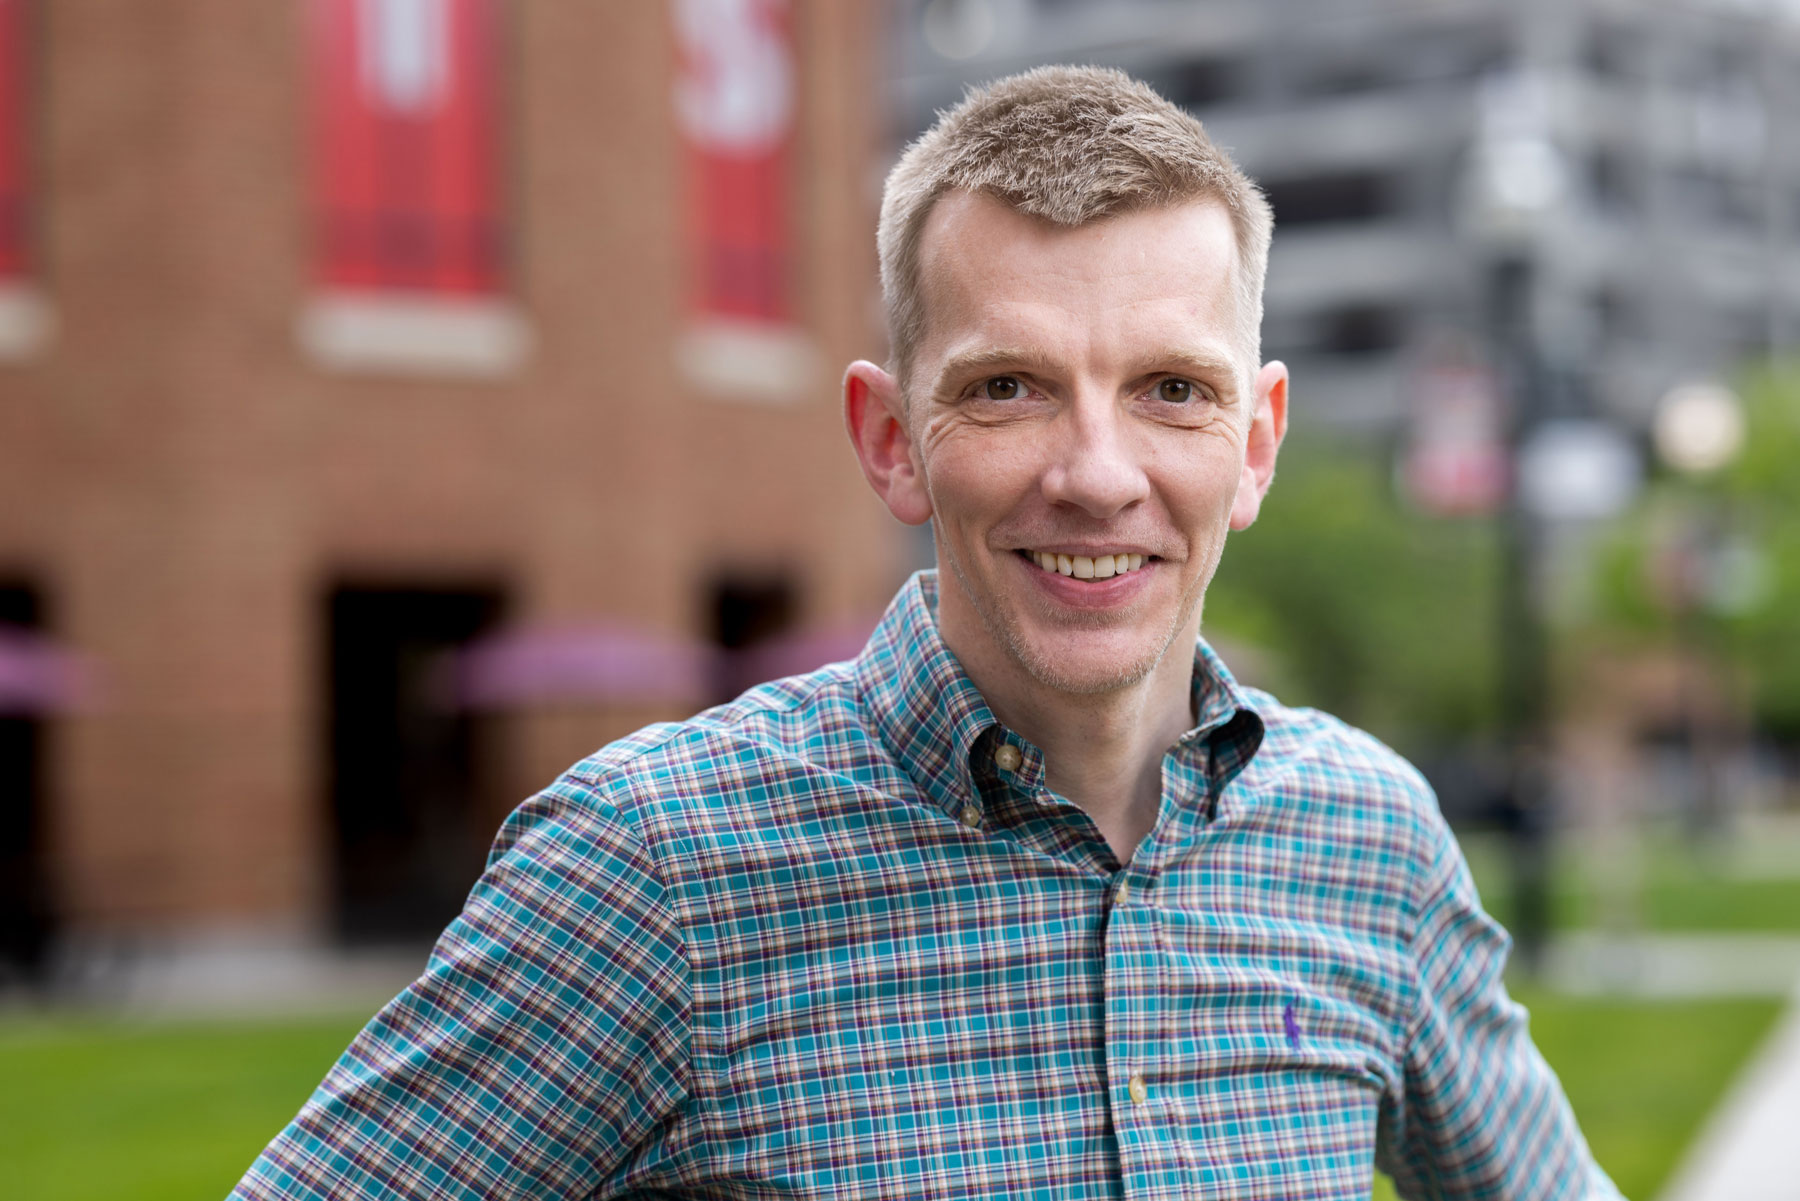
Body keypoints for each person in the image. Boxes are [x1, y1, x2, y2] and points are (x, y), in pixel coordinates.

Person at [234, 66, 1622, 1200]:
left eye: (1170, 391)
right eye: (1009, 385)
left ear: (1255, 443)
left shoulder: (1365, 840)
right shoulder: (656, 867)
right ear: (894, 443)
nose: (1094, 470)